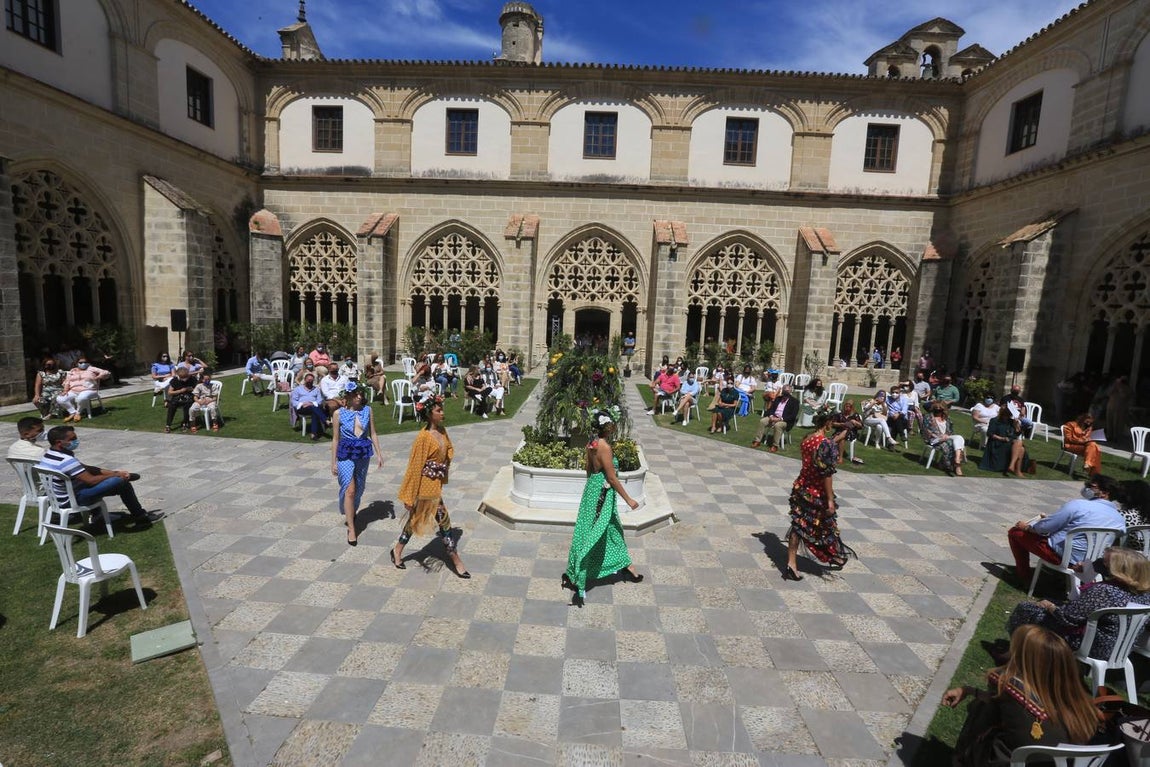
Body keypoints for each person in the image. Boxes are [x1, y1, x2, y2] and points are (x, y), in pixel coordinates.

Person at [941, 625, 1101, 763]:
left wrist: (969, 692)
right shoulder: (1077, 694)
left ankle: (962, 760)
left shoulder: (1007, 684)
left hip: (1016, 762)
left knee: (980, 707)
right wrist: (969, 690)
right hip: (1066, 763)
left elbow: (992, 701)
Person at [1007, 547, 1150, 659]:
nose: (1101, 564)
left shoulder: (1105, 591)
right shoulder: (1144, 594)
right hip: (1119, 648)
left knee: (1026, 608)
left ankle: (1014, 654)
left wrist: (1049, 606)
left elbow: (1067, 618)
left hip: (1089, 644)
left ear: (1119, 571)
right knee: (1048, 602)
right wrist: (1086, 574)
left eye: (1106, 563)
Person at [562, 409, 642, 607]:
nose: (614, 427)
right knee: (594, 532)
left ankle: (626, 565)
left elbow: (589, 469)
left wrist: (595, 489)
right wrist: (629, 499)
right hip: (602, 493)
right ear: (607, 427)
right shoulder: (604, 446)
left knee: (608, 529)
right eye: (612, 424)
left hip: (593, 489)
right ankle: (578, 574)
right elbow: (612, 477)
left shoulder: (591, 443)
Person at [391, 397, 470, 578]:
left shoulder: (442, 431)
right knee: (443, 521)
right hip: (424, 488)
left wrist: (441, 464)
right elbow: (415, 467)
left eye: (442, 410)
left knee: (415, 521)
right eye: (438, 411)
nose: (442, 413)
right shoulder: (423, 438)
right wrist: (409, 496)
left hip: (435, 484)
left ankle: (397, 550)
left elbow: (449, 449)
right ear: (429, 414)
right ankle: (455, 559)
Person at [1007, 475, 1125, 584]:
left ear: (1104, 493)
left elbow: (1047, 526)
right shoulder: (1119, 519)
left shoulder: (1078, 505)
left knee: (1015, 532)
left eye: (1092, 487)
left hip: (1061, 556)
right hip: (1092, 562)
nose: (1087, 488)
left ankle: (1023, 577)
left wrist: (1027, 527)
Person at [37, 425, 164, 526]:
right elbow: (91, 481)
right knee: (121, 483)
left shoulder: (49, 455)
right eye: (72, 439)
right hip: (72, 500)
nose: (76, 441)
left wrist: (115, 472)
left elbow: (87, 468)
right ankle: (140, 516)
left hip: (59, 497)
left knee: (117, 479)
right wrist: (116, 477)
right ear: (59, 442)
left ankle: (103, 515)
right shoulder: (67, 461)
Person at [784, 412, 855, 580]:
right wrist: (830, 500)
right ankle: (831, 555)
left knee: (799, 524)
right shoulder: (826, 444)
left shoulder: (807, 438)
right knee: (826, 524)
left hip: (801, 488)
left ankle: (792, 563)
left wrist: (835, 440)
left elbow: (819, 449)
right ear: (828, 423)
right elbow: (827, 474)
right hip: (816, 492)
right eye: (834, 424)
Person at [331, 387, 382, 546]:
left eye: (361, 394)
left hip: (362, 453)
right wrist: (333, 462)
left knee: (359, 487)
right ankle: (351, 528)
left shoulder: (368, 410)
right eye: (356, 394)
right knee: (350, 489)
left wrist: (379, 453)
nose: (359, 397)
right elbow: (335, 439)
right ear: (349, 396)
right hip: (345, 453)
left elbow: (372, 433)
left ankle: (350, 511)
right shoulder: (338, 413)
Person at [56, 356, 110, 422]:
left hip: (89, 390)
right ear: (77, 363)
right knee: (60, 398)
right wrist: (65, 391)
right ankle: (73, 412)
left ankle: (78, 413)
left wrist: (97, 377)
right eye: (81, 362)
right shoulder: (72, 371)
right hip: (74, 390)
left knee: (82, 397)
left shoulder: (91, 369)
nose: (83, 364)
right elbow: (67, 381)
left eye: (85, 362)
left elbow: (106, 372)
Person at [980, 406, 1028, 477]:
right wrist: (1002, 438)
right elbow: (990, 433)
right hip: (997, 442)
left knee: (1020, 445)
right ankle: (1016, 470)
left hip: (1009, 441)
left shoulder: (1012, 421)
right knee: (1021, 449)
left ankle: (1012, 466)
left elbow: (1016, 434)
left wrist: (1016, 425)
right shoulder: (995, 420)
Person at [752, 384, 798, 451]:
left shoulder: (795, 402)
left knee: (777, 425)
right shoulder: (778, 398)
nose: (785, 392)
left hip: (785, 421)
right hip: (774, 417)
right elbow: (771, 409)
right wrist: (771, 416)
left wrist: (780, 419)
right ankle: (757, 441)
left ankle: (775, 445)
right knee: (762, 421)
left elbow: (793, 415)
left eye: (787, 390)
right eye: (784, 390)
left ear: (791, 391)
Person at [924, 403, 966, 475]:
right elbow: (926, 430)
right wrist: (939, 436)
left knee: (959, 438)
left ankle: (957, 460)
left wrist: (946, 435)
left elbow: (951, 431)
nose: (938, 409)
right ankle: (953, 466)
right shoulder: (928, 417)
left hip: (946, 437)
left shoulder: (947, 418)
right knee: (952, 444)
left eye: (940, 408)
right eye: (936, 408)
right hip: (934, 439)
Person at [291, 371, 327, 439]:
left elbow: (320, 400)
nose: (310, 381)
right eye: (308, 380)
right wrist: (302, 404)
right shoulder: (298, 389)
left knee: (314, 411)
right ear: (305, 380)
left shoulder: (316, 389)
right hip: (302, 408)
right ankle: (325, 420)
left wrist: (311, 403)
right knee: (315, 409)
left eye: (311, 380)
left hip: (314, 406)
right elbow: (294, 401)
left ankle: (313, 434)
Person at [164, 366, 197, 433]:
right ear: (178, 376)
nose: (185, 379)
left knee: (187, 405)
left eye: (186, 377)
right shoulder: (175, 380)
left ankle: (185, 423)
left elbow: (198, 389)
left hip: (189, 397)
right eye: (182, 377)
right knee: (172, 406)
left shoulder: (192, 379)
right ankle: (168, 425)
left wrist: (191, 389)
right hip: (177, 397)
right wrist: (180, 391)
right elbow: (170, 392)